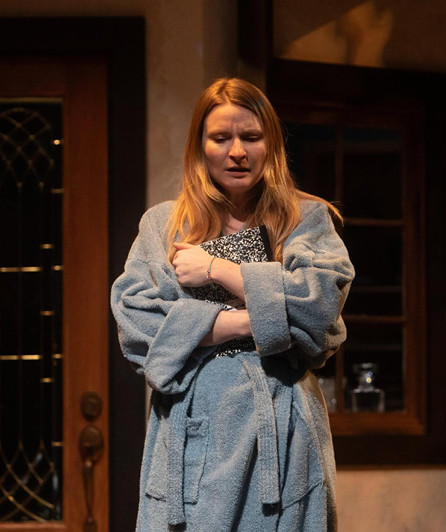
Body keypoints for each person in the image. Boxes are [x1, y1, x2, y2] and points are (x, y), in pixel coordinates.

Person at [111, 78, 354, 531]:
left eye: (251, 137)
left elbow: (319, 314)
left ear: (272, 145)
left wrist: (217, 271)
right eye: (221, 138)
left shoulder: (306, 219)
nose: (236, 151)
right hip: (191, 429)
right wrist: (249, 322)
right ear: (200, 146)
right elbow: (140, 328)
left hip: (281, 432)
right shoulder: (164, 225)